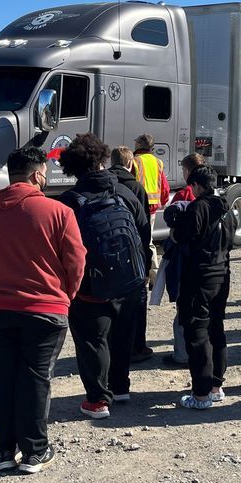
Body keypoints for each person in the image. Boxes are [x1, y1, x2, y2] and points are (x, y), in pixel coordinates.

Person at [0, 147, 86, 474]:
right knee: (35, 377)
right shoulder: (59, 212)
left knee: (3, 377)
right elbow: (76, 262)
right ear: (37, 175)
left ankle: (3, 450)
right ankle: (35, 450)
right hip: (46, 308)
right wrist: (65, 296)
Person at [57, 133, 151, 419]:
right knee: (122, 334)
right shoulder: (125, 194)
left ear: (72, 168)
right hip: (129, 281)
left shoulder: (68, 202)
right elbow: (143, 235)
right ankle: (121, 387)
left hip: (90, 285)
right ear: (101, 161)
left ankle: (98, 400)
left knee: (93, 340)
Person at [170, 165, 234, 409]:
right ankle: (216, 386)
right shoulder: (226, 207)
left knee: (197, 333)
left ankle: (201, 394)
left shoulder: (198, 208)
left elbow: (180, 236)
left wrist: (178, 219)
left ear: (197, 185)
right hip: (222, 273)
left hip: (200, 276)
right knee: (216, 328)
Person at [108, 147, 154, 363]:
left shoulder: (106, 184)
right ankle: (137, 347)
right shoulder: (136, 187)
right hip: (132, 251)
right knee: (136, 302)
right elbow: (144, 226)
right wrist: (146, 259)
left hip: (109, 250)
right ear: (130, 164)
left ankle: (112, 344)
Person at [161, 152, 207, 367]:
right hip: (205, 263)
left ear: (188, 171)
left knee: (183, 310)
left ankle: (181, 354)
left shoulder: (183, 195)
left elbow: (174, 227)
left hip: (183, 260)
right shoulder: (212, 198)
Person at [133, 133, 169, 282]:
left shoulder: (135, 161)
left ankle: (143, 275)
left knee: (138, 241)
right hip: (152, 207)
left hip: (137, 206)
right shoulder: (157, 162)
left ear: (139, 145)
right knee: (149, 241)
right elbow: (164, 186)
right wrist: (164, 201)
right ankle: (153, 276)